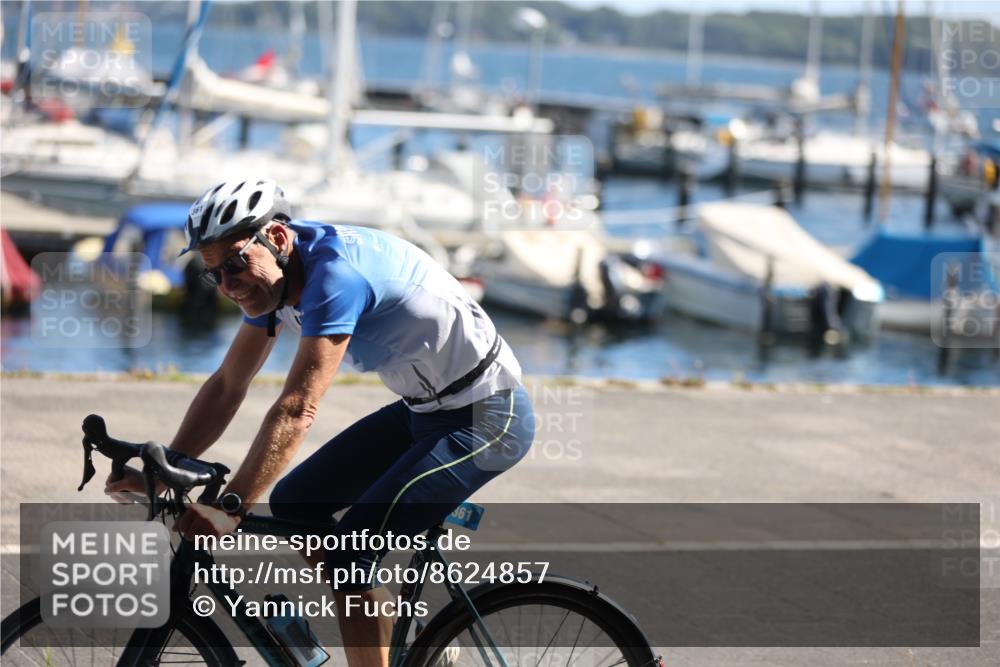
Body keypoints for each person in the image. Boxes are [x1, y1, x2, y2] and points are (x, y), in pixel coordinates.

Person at [107, 179, 535, 667]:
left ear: (278, 238)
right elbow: (228, 384)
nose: (227, 285)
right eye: (213, 274)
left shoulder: (335, 278)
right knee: (295, 505)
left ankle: (376, 629)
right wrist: (171, 467)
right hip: (424, 409)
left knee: (351, 557)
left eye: (235, 264)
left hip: (488, 417)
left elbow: (297, 408)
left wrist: (231, 505)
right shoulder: (275, 279)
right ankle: (390, 628)